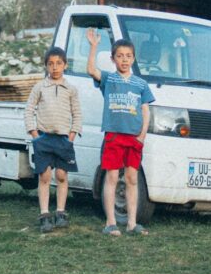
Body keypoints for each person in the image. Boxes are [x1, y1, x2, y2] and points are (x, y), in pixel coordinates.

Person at [85, 28, 154, 236]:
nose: (124, 60)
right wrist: (94, 46)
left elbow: (145, 111)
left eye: (128, 56)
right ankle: (111, 222)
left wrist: (142, 136)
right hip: (114, 136)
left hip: (134, 139)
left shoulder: (141, 84)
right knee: (112, 176)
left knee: (132, 178)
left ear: (133, 58)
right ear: (113, 59)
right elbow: (91, 70)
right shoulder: (109, 80)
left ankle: (132, 223)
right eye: (120, 56)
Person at [24, 46, 82, 233]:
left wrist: (72, 136)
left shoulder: (70, 89)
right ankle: (44, 214)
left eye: (59, 63)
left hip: (63, 140)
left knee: (61, 176)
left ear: (65, 65)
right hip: (43, 138)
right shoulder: (40, 87)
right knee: (45, 176)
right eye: (51, 64)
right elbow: (29, 109)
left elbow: (77, 114)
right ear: (46, 66)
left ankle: (60, 212)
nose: (55, 67)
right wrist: (34, 135)